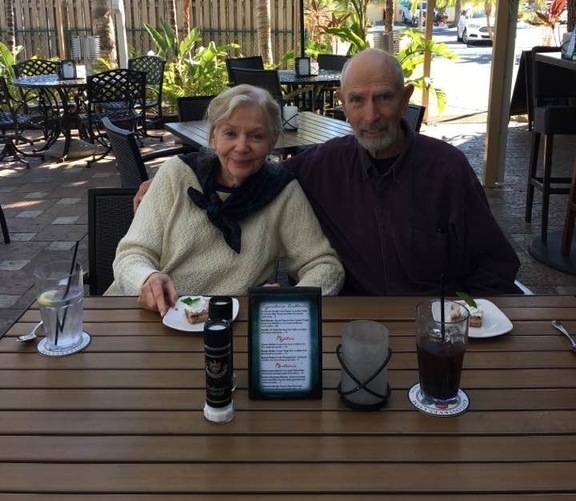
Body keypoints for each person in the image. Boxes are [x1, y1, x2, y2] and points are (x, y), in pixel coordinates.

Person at [134, 50, 520, 297]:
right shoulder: (321, 167)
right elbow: (251, 170)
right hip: (350, 328)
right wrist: (170, 180)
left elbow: (496, 267)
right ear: (343, 105)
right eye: (357, 100)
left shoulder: (447, 170)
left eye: (384, 97)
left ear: (405, 100)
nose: (370, 115)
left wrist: (469, 325)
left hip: (434, 329)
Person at [107, 84, 344, 314]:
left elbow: (325, 265)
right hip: (151, 315)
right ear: (213, 138)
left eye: (256, 136)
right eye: (230, 133)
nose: (241, 146)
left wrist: (290, 302)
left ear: (272, 143)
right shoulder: (176, 174)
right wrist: (145, 279)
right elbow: (132, 254)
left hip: (231, 324)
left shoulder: (282, 191)